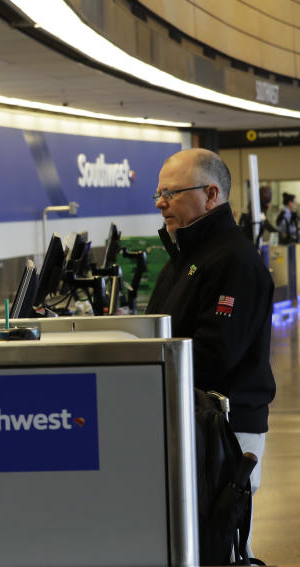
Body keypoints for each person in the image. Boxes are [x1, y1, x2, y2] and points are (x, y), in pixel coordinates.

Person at [146, 148, 276, 556]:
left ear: (211, 193)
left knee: (223, 547)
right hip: (192, 423)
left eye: (171, 192)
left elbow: (214, 354)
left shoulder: (234, 261)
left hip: (227, 432)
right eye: (158, 193)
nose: (161, 202)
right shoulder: (186, 255)